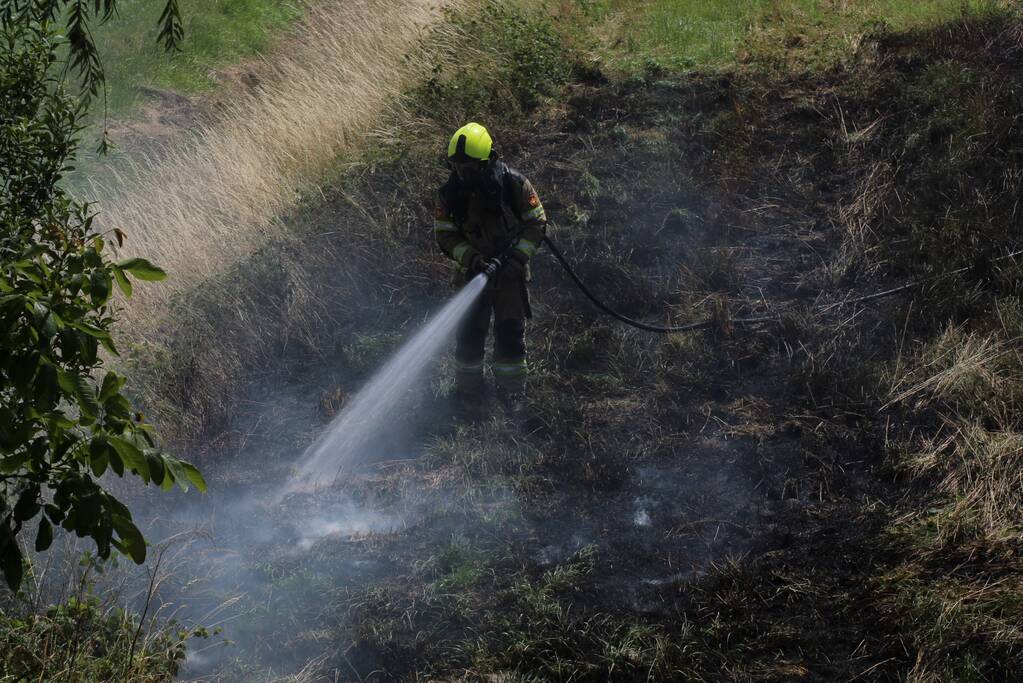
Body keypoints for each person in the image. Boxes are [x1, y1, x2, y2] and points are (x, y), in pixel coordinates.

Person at [434, 122, 547, 411]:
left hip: (510, 277)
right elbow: (445, 233)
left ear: (487, 161)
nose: (462, 173)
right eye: (457, 167)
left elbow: (536, 222)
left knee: (510, 335)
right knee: (469, 336)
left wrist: (516, 258)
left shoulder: (513, 184)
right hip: (472, 274)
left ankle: (512, 395)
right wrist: (472, 258)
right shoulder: (449, 194)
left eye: (469, 168)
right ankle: (468, 395)